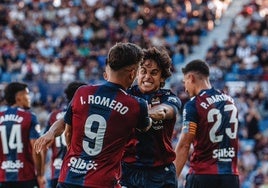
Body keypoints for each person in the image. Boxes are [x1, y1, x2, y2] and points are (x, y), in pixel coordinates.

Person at [34, 42, 152, 188]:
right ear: (132, 73)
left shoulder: (82, 92)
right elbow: (145, 127)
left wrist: (51, 133)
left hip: (69, 177)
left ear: (108, 69)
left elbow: (67, 127)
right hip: (102, 181)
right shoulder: (136, 105)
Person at [120, 46, 181, 188]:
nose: (147, 77)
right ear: (136, 73)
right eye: (143, 71)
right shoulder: (124, 95)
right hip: (128, 171)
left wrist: (142, 115)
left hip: (160, 173)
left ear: (162, 78)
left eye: (154, 73)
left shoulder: (169, 97)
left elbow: (165, 111)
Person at [174, 59, 240, 188]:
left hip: (203, 175)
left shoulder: (194, 105)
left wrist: (170, 179)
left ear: (191, 78)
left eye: (185, 82)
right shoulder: (229, 101)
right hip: (231, 176)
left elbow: (184, 145)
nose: (185, 89)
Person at [0, 82, 46, 188]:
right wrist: (40, 175)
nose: (30, 98)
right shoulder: (29, 117)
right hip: (26, 177)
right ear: (19, 97)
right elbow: (36, 148)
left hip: (3, 177)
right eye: (27, 94)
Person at [44, 81, 86, 188]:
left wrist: (42, 170)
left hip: (56, 170)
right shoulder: (85, 114)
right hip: (78, 171)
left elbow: (45, 143)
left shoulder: (53, 115)